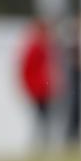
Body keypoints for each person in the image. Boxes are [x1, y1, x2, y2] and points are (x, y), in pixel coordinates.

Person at [18, 17, 62, 150]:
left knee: (43, 118)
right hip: (39, 90)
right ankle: (41, 145)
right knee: (42, 118)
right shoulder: (37, 46)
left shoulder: (42, 46)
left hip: (43, 89)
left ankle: (42, 144)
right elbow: (28, 70)